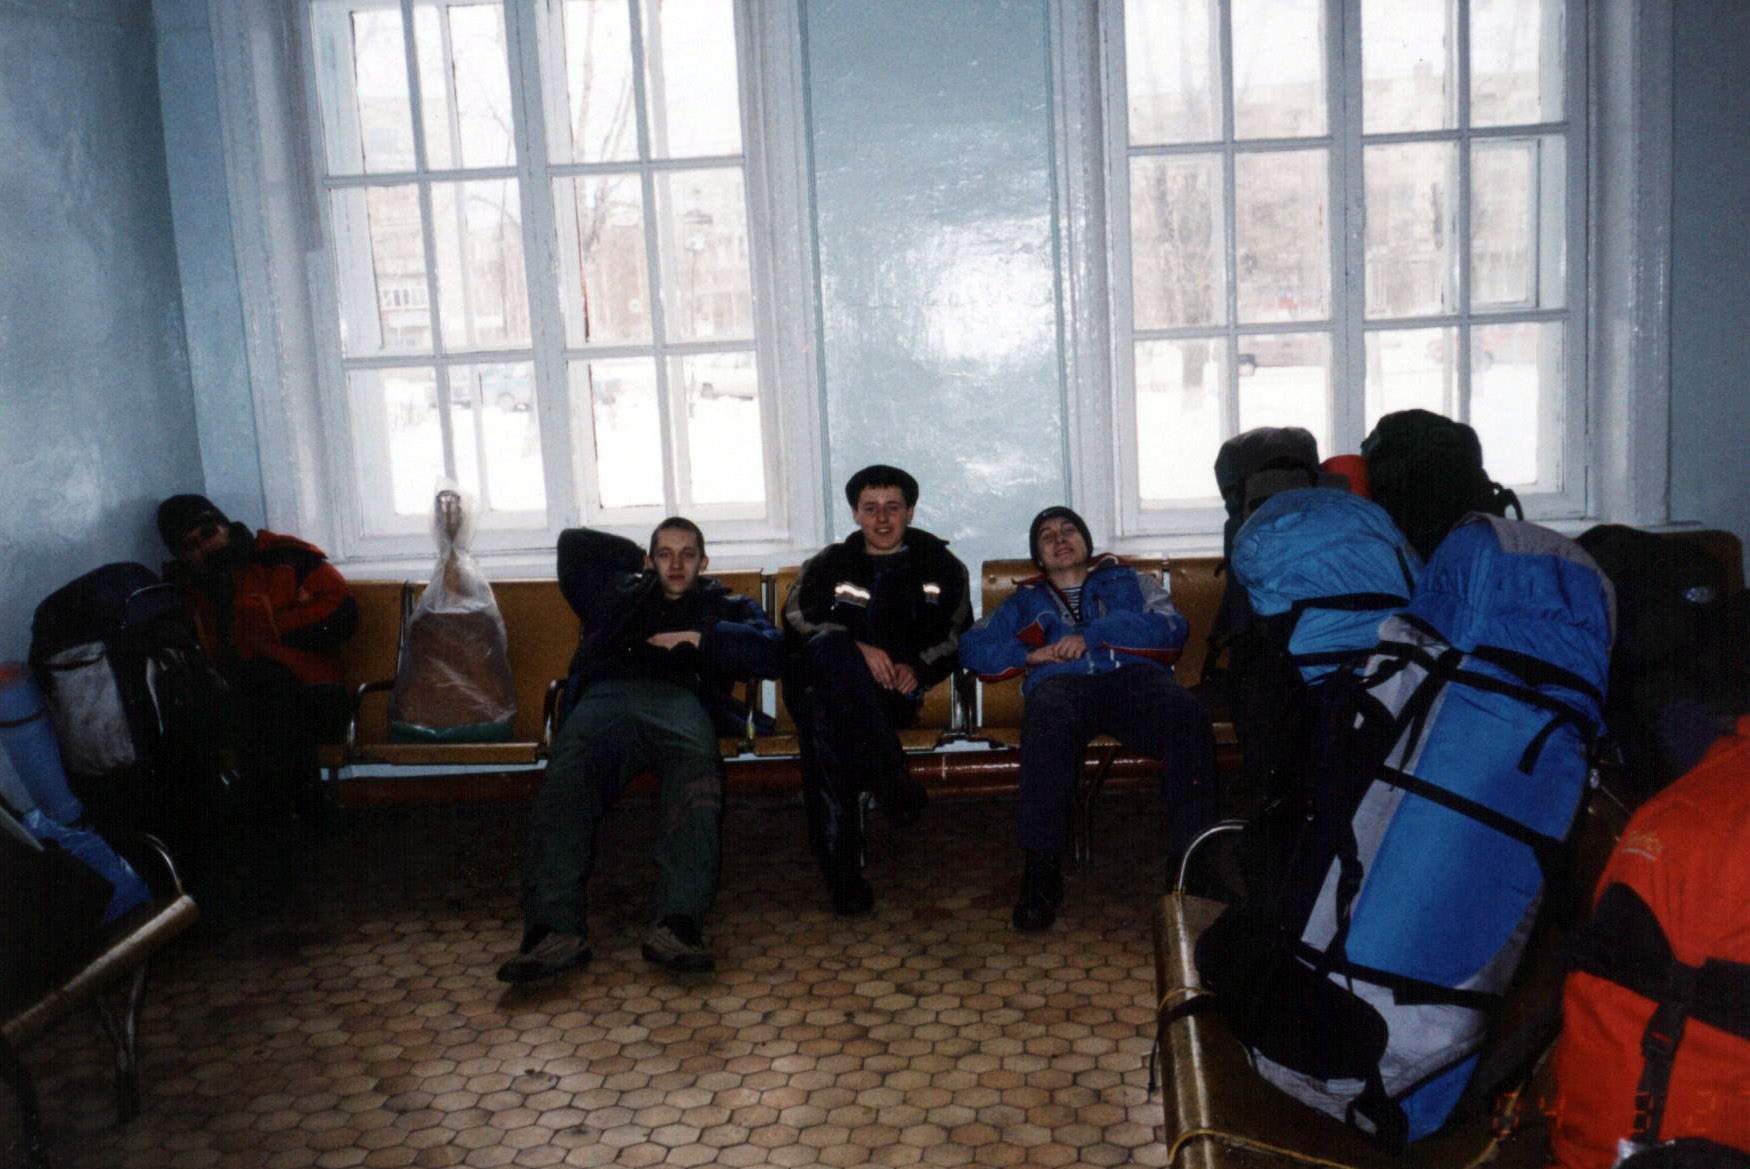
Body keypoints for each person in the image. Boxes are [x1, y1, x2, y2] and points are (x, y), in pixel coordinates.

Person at [498, 518, 782, 983]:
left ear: (704, 562)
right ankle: (553, 931)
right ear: (649, 560)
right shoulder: (616, 592)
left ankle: (678, 924)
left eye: (687, 554)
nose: (676, 564)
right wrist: (638, 562)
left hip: (680, 698)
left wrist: (701, 639)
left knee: (697, 779)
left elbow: (774, 652)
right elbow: (573, 543)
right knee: (566, 779)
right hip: (606, 695)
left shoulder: (723, 603)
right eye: (665, 554)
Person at [959, 505, 1218, 932]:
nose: (1060, 539)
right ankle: (1041, 874)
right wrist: (1028, 655)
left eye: (1068, 530)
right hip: (1061, 685)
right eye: (1047, 536)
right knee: (1045, 726)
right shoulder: (1023, 600)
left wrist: (1094, 635)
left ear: (1086, 542)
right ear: (1038, 558)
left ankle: (1191, 865)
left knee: (1186, 716)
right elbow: (973, 646)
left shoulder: (1131, 580)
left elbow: (1171, 628)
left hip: (1132, 679)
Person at [782, 465, 972, 917]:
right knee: (831, 652)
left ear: (910, 511)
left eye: (892, 508)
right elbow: (796, 619)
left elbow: (957, 634)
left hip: (891, 695)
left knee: (825, 726)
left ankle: (843, 879)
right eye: (870, 509)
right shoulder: (829, 563)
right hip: (824, 678)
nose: (882, 519)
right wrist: (856, 649)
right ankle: (892, 779)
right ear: (855, 513)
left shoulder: (942, 565)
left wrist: (917, 668)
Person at [156, 494, 357, 835]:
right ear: (182, 556)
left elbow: (343, 612)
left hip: (315, 695)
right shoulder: (186, 592)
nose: (206, 547)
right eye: (191, 545)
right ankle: (299, 813)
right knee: (230, 706)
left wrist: (270, 627)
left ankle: (278, 819)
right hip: (249, 706)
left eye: (209, 533)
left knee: (265, 682)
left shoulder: (283, 557)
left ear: (226, 527)